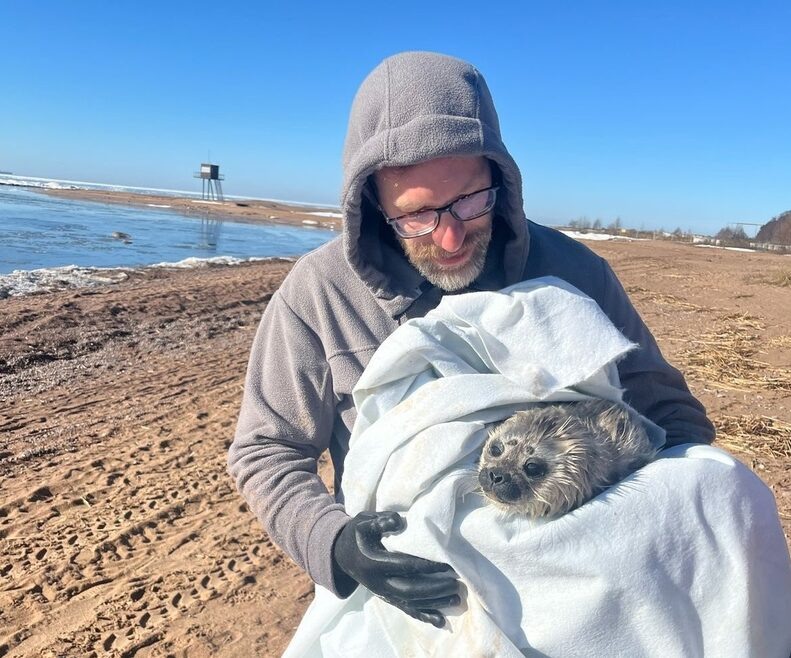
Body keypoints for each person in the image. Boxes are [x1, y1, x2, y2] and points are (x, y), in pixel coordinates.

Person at [228, 51, 715, 628]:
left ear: (500, 179)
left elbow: (670, 414)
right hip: (412, 606)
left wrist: (669, 507)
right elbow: (266, 450)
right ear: (373, 206)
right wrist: (335, 544)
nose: (451, 238)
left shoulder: (575, 273)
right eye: (417, 216)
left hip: (585, 594)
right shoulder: (319, 294)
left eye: (470, 201)